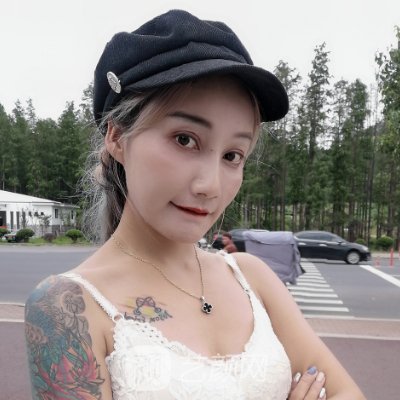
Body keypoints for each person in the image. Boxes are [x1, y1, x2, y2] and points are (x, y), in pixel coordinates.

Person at [24, 9, 365, 400]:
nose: (210, 186)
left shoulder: (250, 277)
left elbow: (346, 392)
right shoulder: (67, 307)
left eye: (233, 155)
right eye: (185, 139)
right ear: (117, 137)